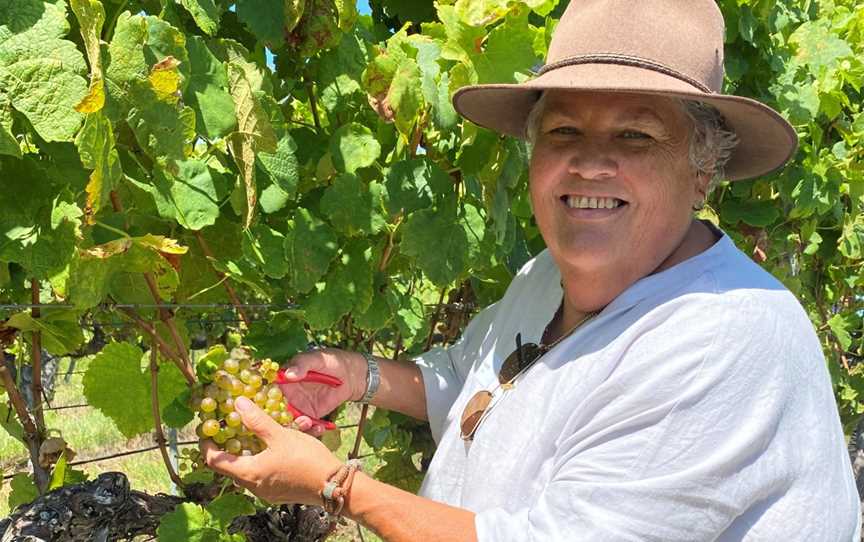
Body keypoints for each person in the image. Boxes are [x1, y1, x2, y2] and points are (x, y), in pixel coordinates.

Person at [203, 1, 861, 540]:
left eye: (635, 136)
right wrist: (357, 376)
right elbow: (470, 377)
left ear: (703, 170)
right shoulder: (547, 276)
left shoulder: (724, 336)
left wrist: (334, 485)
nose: (590, 164)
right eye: (564, 133)